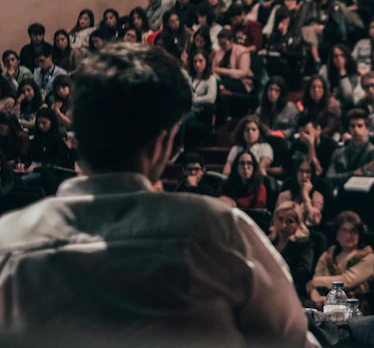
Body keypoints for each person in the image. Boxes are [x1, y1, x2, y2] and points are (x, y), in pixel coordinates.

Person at [0, 43, 317, 347]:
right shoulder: (221, 234)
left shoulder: (9, 244)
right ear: (163, 143)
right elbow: (290, 339)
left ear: (77, 136)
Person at [306, 211, 374, 308]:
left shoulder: (367, 256)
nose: (348, 235)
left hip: (354, 307)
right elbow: (314, 286)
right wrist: (318, 299)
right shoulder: (327, 255)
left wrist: (316, 281)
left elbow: (346, 281)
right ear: (337, 234)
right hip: (324, 305)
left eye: (353, 231)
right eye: (344, 230)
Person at [270, 201, 315, 299]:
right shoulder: (269, 242)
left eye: (290, 221)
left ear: (298, 224)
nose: (283, 225)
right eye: (280, 219)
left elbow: (303, 272)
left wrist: (277, 280)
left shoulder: (304, 244)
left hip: (292, 293)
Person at [328, 109, 374, 183]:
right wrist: (352, 174)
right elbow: (329, 177)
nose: (356, 129)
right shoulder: (338, 152)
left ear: (367, 128)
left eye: (360, 126)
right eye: (352, 126)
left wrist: (343, 176)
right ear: (349, 129)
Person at [277, 159, 325, 227]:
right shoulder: (284, 195)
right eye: (301, 171)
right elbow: (277, 219)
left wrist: (305, 195)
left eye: (308, 172)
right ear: (296, 173)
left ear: (312, 175)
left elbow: (312, 219)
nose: (304, 175)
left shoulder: (317, 196)